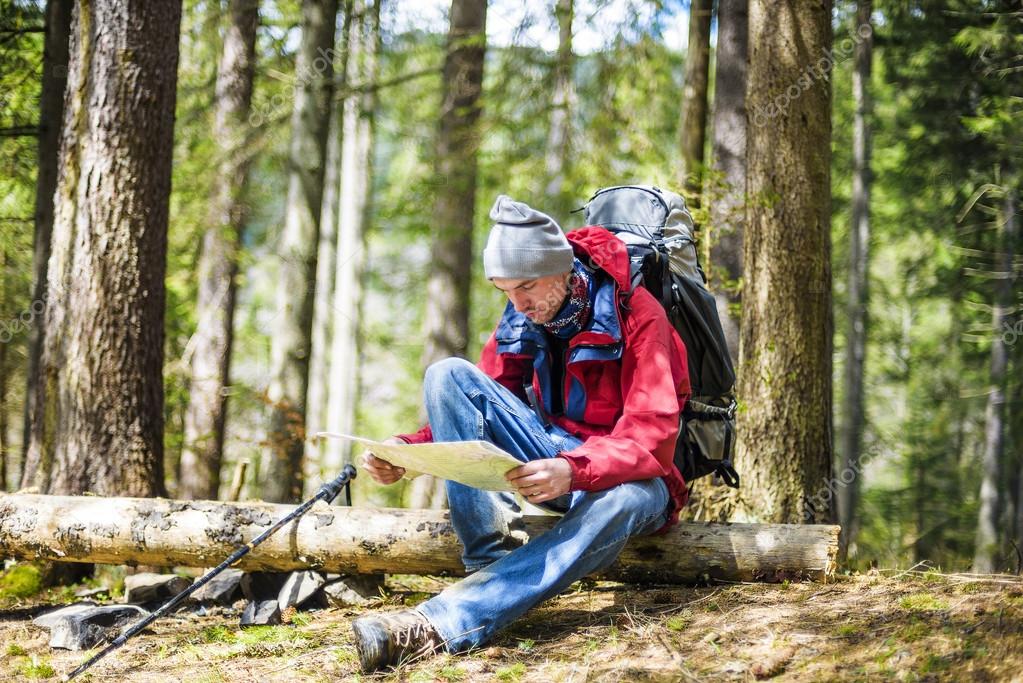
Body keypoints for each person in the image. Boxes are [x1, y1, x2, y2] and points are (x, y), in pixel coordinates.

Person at [351, 195, 691, 672]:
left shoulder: (640, 315)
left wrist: (573, 470)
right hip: (551, 458)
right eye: (505, 290)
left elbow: (652, 439)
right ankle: (488, 565)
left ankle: (440, 622)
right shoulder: (523, 314)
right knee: (447, 373)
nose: (519, 303)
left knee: (626, 499)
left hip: (629, 479)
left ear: (564, 269)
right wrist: (408, 452)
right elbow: (476, 402)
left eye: (527, 286)